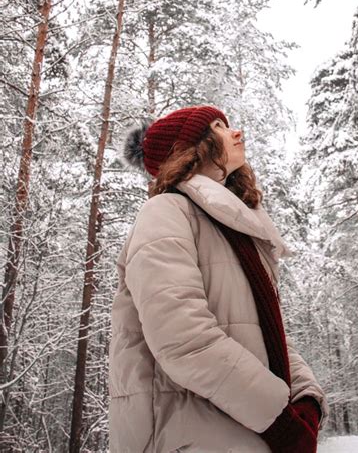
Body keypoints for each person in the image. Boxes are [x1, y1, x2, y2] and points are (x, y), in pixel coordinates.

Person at [109, 105, 328, 453]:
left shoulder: (235, 228)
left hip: (248, 433)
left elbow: (265, 332)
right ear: (191, 148)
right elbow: (184, 338)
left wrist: (307, 399)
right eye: (218, 127)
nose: (236, 133)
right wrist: (280, 422)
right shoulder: (165, 213)